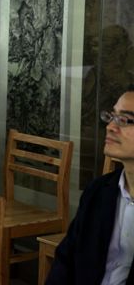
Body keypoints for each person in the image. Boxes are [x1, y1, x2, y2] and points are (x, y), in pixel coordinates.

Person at [46, 88, 134, 285]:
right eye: (111, 117)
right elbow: (66, 258)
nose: (110, 127)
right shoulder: (99, 191)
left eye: (124, 120)